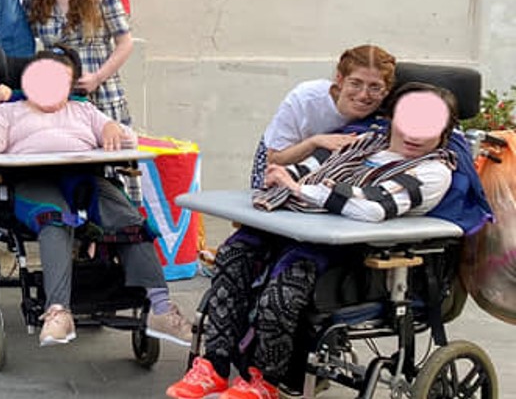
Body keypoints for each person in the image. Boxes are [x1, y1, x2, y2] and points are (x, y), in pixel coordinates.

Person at [168, 83, 458, 399]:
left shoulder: (433, 171)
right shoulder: (362, 143)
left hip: (351, 253)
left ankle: (264, 380)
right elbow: (303, 169)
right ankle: (213, 365)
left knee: (286, 286)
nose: (414, 134)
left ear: (444, 133)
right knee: (234, 253)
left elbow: (373, 208)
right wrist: (285, 177)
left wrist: (298, 189)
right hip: (298, 229)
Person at [0, 51, 192, 349]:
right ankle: (58, 312)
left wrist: (112, 128)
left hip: (84, 178)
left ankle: (161, 309)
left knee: (132, 222)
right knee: (54, 219)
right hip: (32, 181)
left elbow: (128, 140)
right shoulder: (8, 112)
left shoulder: (84, 111)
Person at [25, 0, 135, 127]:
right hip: (57, 100)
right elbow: (24, 42)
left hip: (101, 95)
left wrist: (97, 78)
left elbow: (125, 43)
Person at [249, 45, 395, 189]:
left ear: (386, 90)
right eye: (355, 83)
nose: (363, 95)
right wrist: (315, 142)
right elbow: (274, 158)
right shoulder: (305, 99)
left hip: (332, 173)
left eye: (375, 87)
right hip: (281, 159)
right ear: (340, 80)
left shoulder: (387, 112)